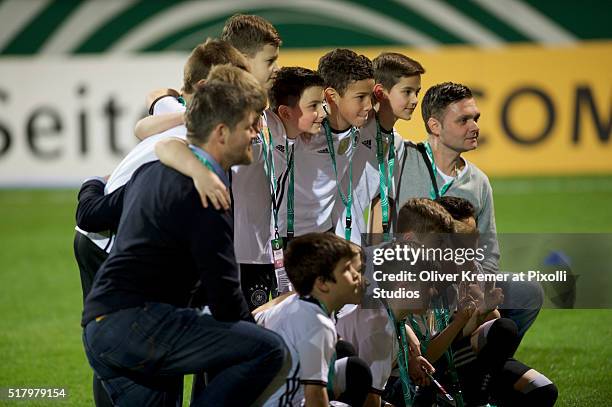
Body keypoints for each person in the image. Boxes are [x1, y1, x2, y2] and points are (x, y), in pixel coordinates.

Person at [79, 74, 289, 406]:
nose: (256, 133)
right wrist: (267, 323)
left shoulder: (150, 173)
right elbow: (223, 300)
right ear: (221, 132)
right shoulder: (210, 195)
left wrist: (92, 182)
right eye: (249, 125)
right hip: (142, 326)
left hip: (100, 327)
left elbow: (93, 212)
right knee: (268, 349)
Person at [147, 14, 283, 310]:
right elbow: (153, 118)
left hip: (262, 253)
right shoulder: (211, 114)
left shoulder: (269, 115)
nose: (277, 68)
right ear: (243, 61)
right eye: (269, 61)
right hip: (224, 251)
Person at [395, 82, 542, 340]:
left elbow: (488, 250)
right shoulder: (402, 161)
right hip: (409, 282)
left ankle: (472, 363)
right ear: (435, 126)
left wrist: (475, 289)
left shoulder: (479, 182)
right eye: (463, 120)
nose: (474, 127)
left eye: (476, 118)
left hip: (457, 287)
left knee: (527, 292)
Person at [398, 197, 558, 407]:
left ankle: (478, 396)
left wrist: (483, 308)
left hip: (464, 357)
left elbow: (495, 325)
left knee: (544, 390)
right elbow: (425, 353)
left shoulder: (470, 265)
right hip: (428, 367)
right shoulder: (417, 273)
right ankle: (475, 398)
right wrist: (462, 319)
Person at [254, 232, 371, 406]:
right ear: (322, 283)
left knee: (353, 366)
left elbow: (255, 317)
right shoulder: (316, 323)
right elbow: (315, 398)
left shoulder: (304, 303)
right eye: (347, 269)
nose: (357, 276)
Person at [334, 52, 425, 244]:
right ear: (379, 92)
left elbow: (382, 201)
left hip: (356, 244)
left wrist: (376, 251)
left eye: (417, 92)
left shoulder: (397, 143)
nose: (415, 100)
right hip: (328, 238)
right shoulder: (353, 128)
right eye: (407, 91)